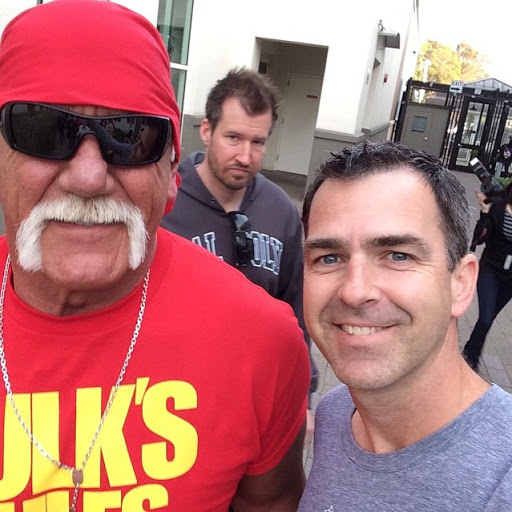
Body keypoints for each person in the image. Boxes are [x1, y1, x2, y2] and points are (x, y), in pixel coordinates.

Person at [0, 1, 310, 510]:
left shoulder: (262, 344)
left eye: (130, 137)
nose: (88, 177)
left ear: (170, 173)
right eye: (43, 129)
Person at [298, 141, 512, 511]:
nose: (355, 291)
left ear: (461, 284)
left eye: (398, 255)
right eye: (329, 257)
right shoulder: (336, 413)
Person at [160, 67, 318, 442]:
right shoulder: (164, 206)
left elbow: (297, 312)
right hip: (177, 402)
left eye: (257, 142)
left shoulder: (280, 212)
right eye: (233, 138)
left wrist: (303, 394)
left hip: (258, 404)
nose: (245, 156)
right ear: (207, 130)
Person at [462, 184, 512, 370]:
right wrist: (484, 212)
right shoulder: (498, 207)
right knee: (485, 318)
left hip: (510, 279)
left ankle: (470, 350)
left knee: (488, 318)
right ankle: (471, 358)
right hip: (490, 269)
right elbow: (479, 238)